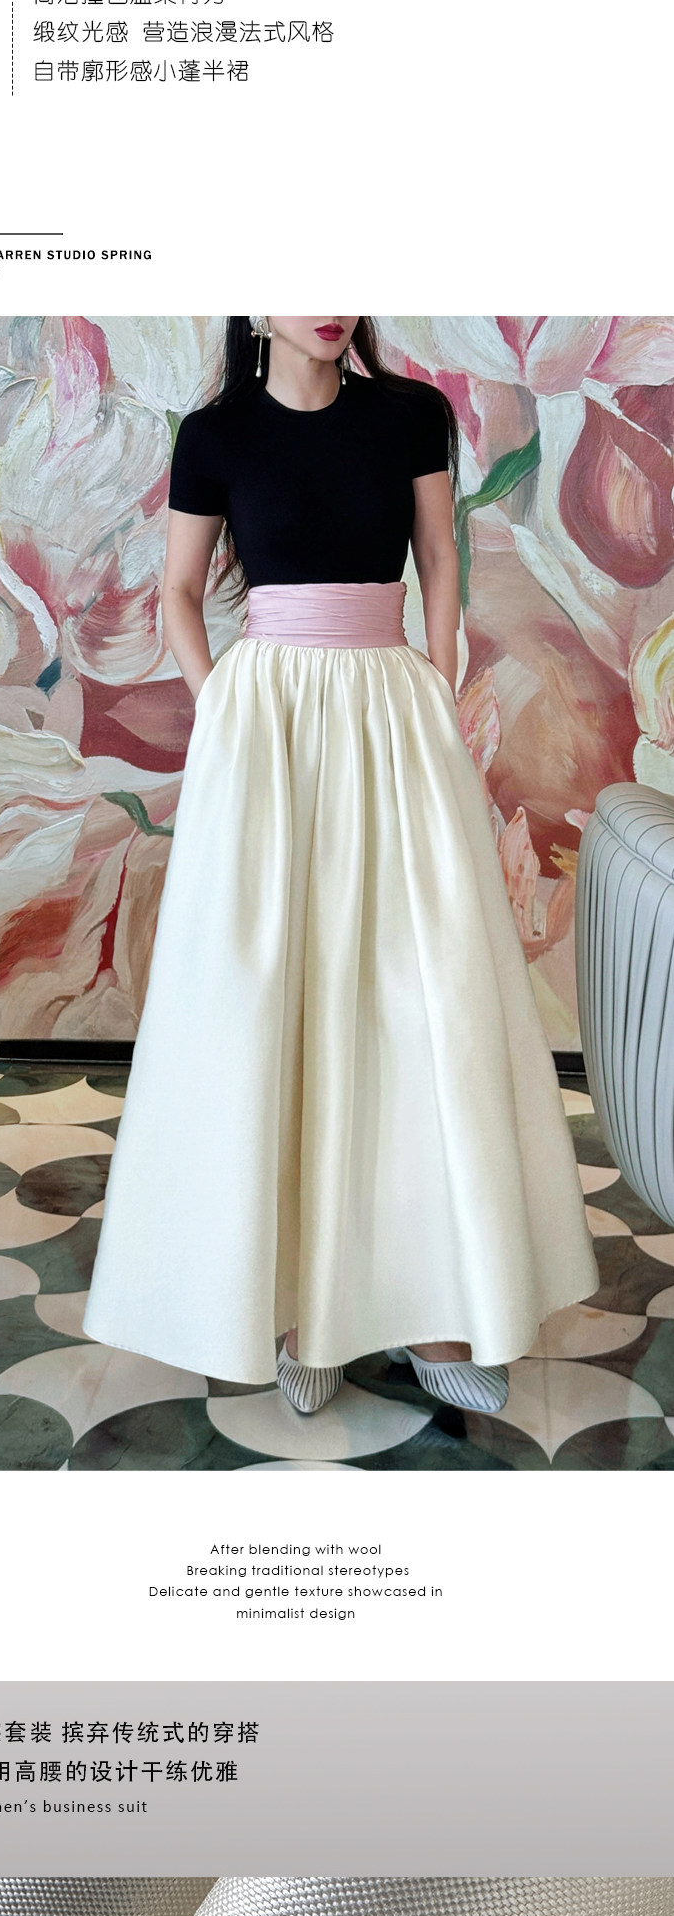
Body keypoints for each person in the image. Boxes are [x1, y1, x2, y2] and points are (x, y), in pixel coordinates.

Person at [83, 316, 599, 1417]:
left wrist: (439, 682)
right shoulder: (215, 434)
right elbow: (180, 591)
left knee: (416, 996)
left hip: (392, 710)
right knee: (276, 1000)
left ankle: (430, 1308)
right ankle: (296, 1309)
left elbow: (441, 557)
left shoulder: (411, 415)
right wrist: (221, 700)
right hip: (267, 725)